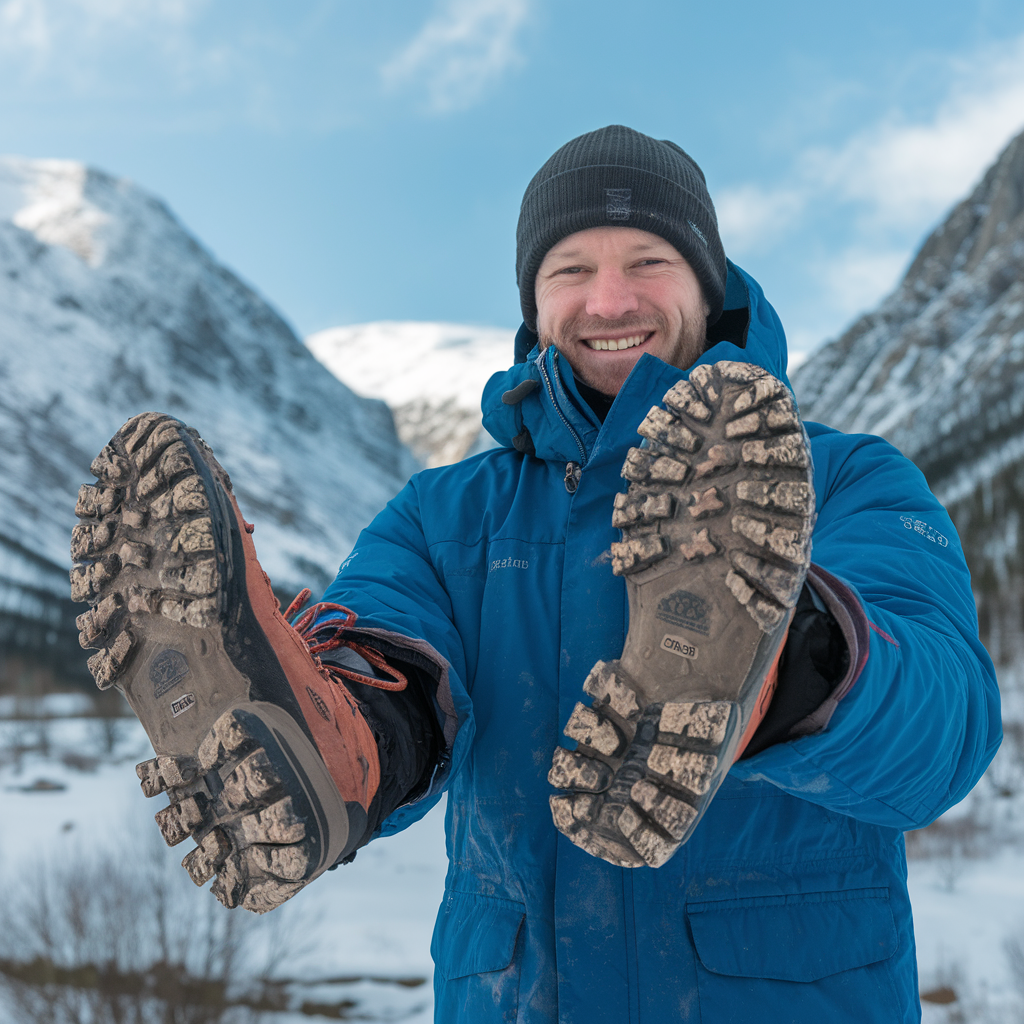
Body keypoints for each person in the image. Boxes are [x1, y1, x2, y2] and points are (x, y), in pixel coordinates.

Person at [72, 125, 1001, 1023]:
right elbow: (392, 643)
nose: (608, 302)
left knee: (789, 654)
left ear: (706, 284)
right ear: (533, 304)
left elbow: (946, 729)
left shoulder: (843, 478)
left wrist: (795, 653)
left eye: (648, 261)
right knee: (364, 699)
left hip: (787, 1000)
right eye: (571, 271)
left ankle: (745, 662)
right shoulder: (443, 515)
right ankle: (316, 757)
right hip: (517, 1001)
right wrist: (354, 723)